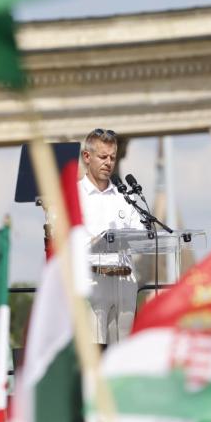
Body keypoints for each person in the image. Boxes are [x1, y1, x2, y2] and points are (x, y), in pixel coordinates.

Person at [78, 128, 144, 345]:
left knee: (124, 353)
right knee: (96, 351)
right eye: (103, 157)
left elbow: (141, 235)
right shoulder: (74, 195)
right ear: (87, 157)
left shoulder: (124, 197)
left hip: (124, 280)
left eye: (113, 158)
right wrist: (97, 241)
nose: (108, 162)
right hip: (94, 282)